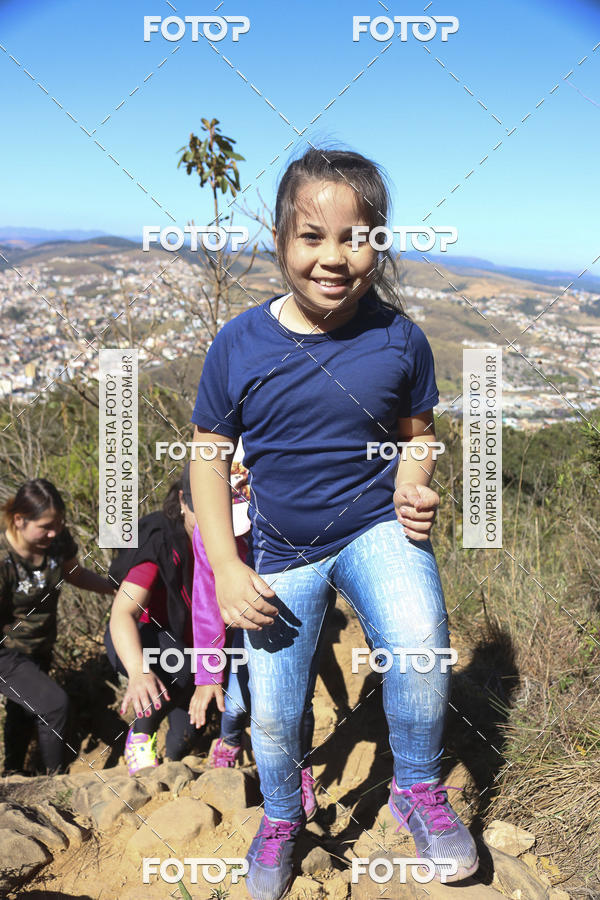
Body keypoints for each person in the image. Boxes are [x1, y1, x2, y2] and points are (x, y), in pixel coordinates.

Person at [189, 147, 479, 900]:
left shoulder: (401, 340)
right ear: (280, 239)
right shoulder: (239, 344)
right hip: (281, 550)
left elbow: (418, 437)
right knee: (278, 716)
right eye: (312, 236)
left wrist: (415, 485)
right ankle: (284, 815)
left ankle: (415, 787)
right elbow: (207, 458)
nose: (334, 257)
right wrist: (225, 565)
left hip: (375, 526)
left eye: (356, 237)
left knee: (420, 640)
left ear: (378, 244)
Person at [187, 448, 318, 820]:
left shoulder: (293, 517)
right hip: (244, 618)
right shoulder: (206, 536)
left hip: (288, 616)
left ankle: (298, 767)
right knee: (242, 698)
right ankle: (229, 741)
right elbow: (206, 604)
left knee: (299, 696)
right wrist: (208, 672)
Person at [0, 478, 114, 774]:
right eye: (46, 526)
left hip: (40, 646)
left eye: (58, 525)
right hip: (6, 653)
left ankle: (13, 774)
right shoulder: (4, 559)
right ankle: (55, 782)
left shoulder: (56, 541)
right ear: (20, 520)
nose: (53, 532)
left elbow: (73, 573)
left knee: (23, 711)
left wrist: (113, 589)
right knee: (54, 706)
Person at [106, 466, 201, 774]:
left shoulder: (224, 541)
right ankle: (140, 736)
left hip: (184, 643)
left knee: (187, 734)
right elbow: (122, 613)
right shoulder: (162, 542)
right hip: (140, 638)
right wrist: (138, 671)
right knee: (181, 664)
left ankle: (171, 763)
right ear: (184, 502)